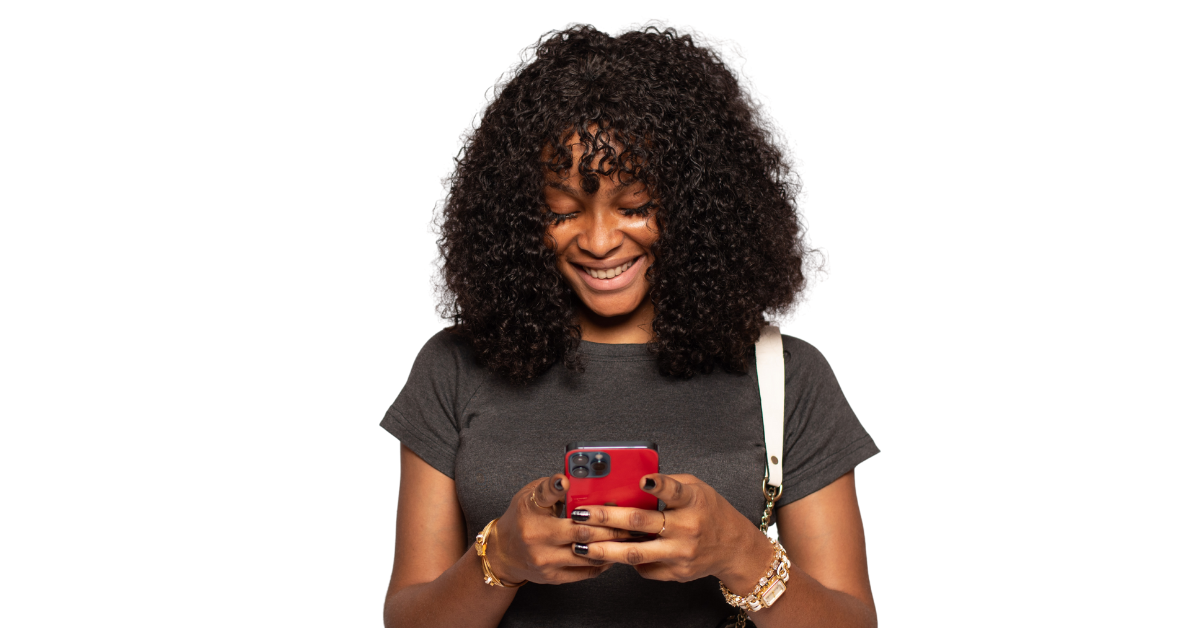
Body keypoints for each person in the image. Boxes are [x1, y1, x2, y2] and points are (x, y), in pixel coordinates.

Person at [380, 25, 879, 628]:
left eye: (635, 206)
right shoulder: (455, 368)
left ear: (698, 203)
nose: (597, 241)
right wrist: (500, 558)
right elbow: (410, 620)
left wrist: (740, 554)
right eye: (562, 210)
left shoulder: (784, 378)